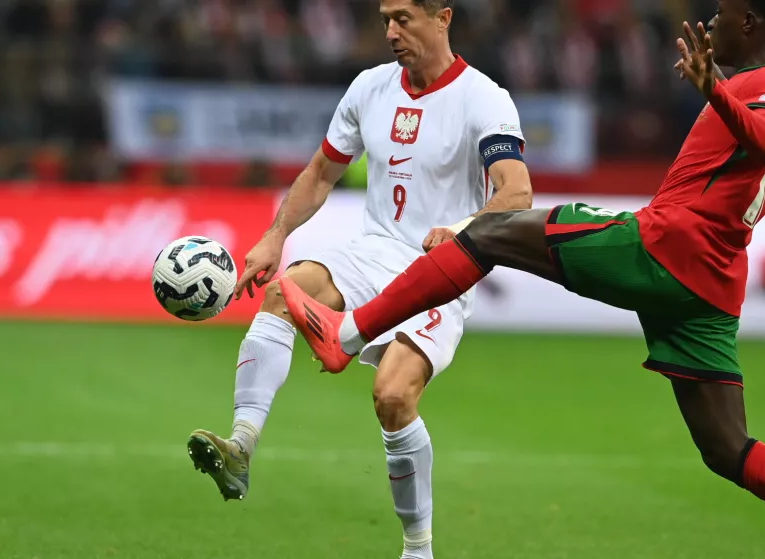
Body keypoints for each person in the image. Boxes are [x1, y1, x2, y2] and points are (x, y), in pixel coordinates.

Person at [279, 1, 765, 558]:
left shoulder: (763, 85)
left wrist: (715, 88)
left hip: (665, 246)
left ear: (751, 22)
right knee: (726, 447)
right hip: (711, 283)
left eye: (721, 13)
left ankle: (352, 333)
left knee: (490, 231)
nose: (710, 22)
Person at [186, 2, 532, 558]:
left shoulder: (484, 99)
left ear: (442, 17)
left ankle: (418, 550)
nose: (390, 32)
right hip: (371, 251)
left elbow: (515, 193)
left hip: (441, 269)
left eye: (403, 18)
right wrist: (276, 235)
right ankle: (241, 447)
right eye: (384, 19)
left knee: (393, 396)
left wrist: (463, 229)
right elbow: (323, 171)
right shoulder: (370, 87)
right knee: (283, 292)